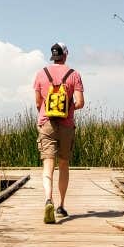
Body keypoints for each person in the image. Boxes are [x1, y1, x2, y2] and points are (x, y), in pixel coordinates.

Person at [33, 42, 85, 224]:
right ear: (66, 55)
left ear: (52, 55)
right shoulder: (74, 75)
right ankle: (61, 206)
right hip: (66, 126)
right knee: (63, 165)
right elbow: (80, 102)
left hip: (46, 123)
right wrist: (67, 106)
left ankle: (48, 199)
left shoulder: (41, 74)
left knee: (48, 164)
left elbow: (38, 103)